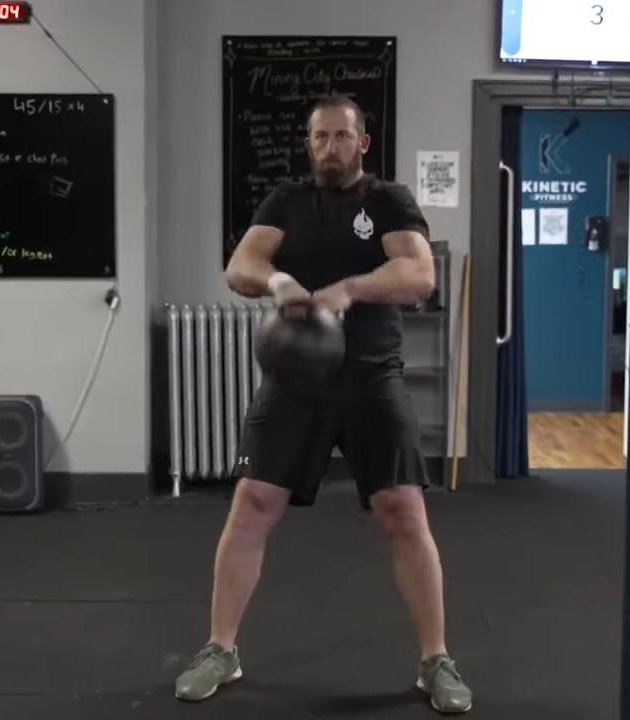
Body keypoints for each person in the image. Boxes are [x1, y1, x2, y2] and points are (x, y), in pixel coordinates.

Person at [173, 95, 473, 714]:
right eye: (320, 137)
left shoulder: (387, 201)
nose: (330, 147)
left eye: (342, 136)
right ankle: (219, 649)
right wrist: (279, 281)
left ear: (362, 143)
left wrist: (348, 290)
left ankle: (435, 659)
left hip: (370, 375)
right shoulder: (286, 202)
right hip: (295, 381)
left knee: (403, 512)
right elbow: (242, 265)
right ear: (308, 143)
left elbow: (418, 274)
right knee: (252, 502)